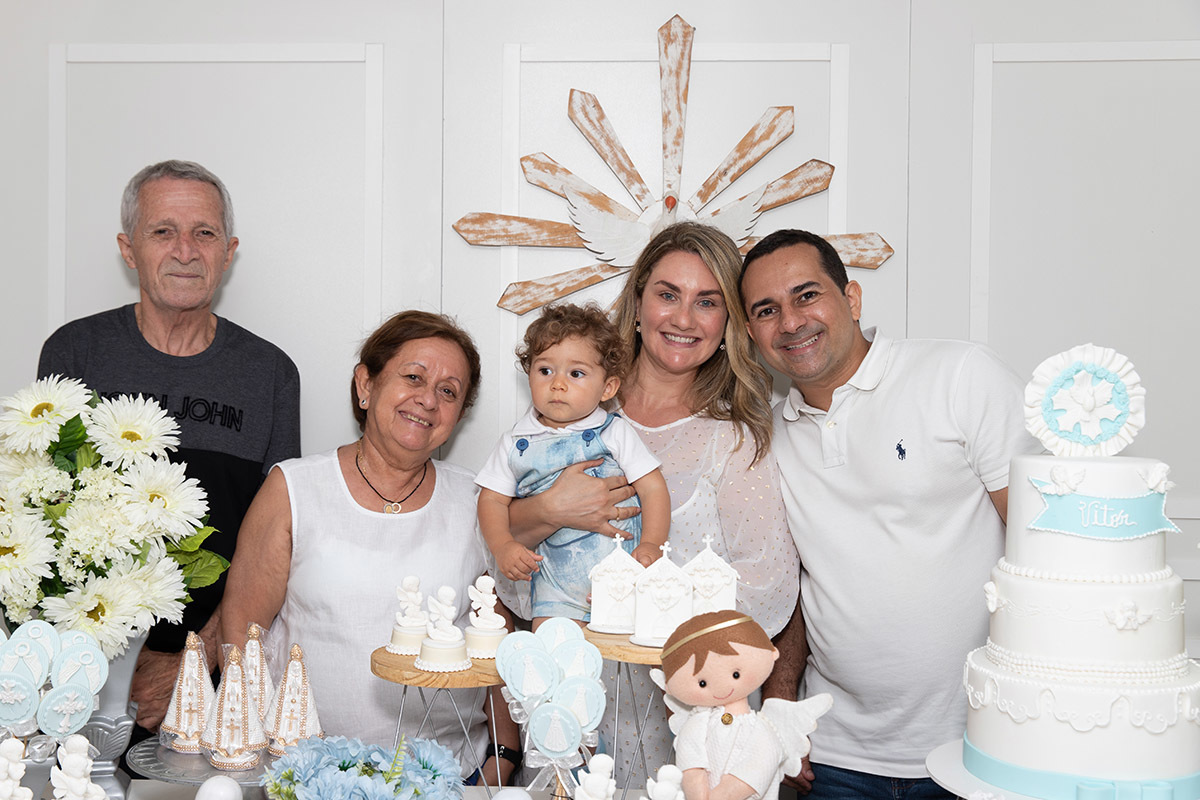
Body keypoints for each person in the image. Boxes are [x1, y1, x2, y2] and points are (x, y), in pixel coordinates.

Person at [739, 229, 1038, 798]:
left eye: (807, 296)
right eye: (767, 310)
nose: (791, 322)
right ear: (753, 333)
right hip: (831, 756)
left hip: (978, 744)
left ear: (851, 299)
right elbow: (792, 587)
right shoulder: (767, 439)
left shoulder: (959, 376)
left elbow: (1039, 548)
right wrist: (781, 706)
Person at [505, 222, 801, 787]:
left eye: (707, 302)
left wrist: (632, 601)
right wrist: (551, 510)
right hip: (572, 713)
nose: (684, 318)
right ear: (638, 302)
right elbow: (505, 566)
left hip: (688, 723)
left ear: (727, 325)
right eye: (668, 294)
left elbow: (766, 587)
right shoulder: (561, 416)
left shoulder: (734, 439)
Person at [37, 159, 301, 734]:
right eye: (163, 231)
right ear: (128, 249)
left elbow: (275, 544)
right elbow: (45, 522)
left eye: (204, 232)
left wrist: (191, 659)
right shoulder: (74, 354)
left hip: (216, 669)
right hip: (86, 667)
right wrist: (109, 663)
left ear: (228, 251)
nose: (186, 249)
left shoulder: (270, 373)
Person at [219, 310, 520, 784]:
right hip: (305, 776)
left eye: (448, 391)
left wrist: (502, 757)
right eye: (413, 377)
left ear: (458, 415)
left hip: (448, 780)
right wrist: (255, 757)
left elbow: (496, 645)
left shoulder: (478, 501)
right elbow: (241, 631)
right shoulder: (294, 487)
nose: (427, 400)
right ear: (366, 384)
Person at [475, 302, 670, 624]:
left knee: (623, 658)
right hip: (555, 585)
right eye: (545, 370)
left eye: (576, 373)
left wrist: (651, 544)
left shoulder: (615, 431)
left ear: (608, 387)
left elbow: (652, 487)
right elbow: (491, 500)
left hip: (622, 575)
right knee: (553, 657)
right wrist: (503, 545)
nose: (558, 384)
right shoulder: (514, 443)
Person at [658, 611, 831, 800]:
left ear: (772, 653)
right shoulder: (696, 724)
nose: (722, 687)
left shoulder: (762, 730)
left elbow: (759, 764)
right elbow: (690, 763)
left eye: (735, 674)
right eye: (702, 683)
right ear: (670, 686)